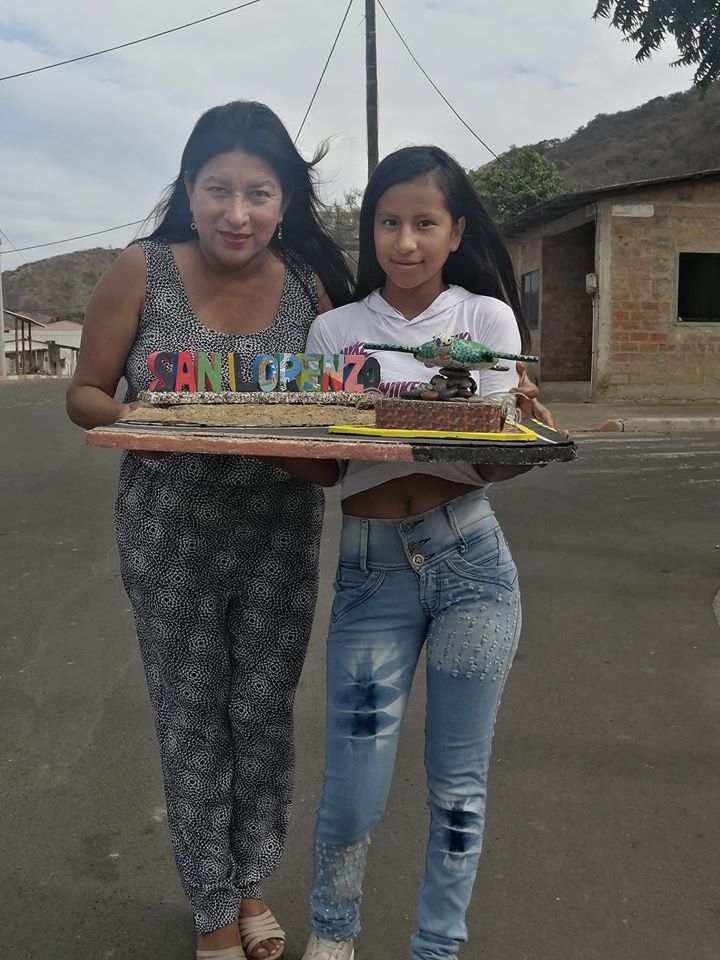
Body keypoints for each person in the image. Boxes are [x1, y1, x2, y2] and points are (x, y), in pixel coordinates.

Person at [66, 100, 355, 960]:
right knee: (192, 722)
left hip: (278, 537)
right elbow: (84, 393)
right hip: (170, 540)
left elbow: (337, 414)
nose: (238, 212)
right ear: (189, 189)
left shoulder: (309, 288)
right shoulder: (142, 270)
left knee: (263, 718)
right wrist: (140, 419)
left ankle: (251, 880)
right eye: (219, 189)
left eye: (259, 193)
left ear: (285, 200)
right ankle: (212, 911)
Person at [272, 145, 539, 960]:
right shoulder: (335, 331)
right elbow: (328, 470)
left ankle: (437, 948)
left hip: (472, 567)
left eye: (425, 222)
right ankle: (333, 935)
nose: (406, 241)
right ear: (371, 231)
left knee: (458, 788)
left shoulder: (484, 321)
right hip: (370, 571)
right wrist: (273, 431)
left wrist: (522, 436)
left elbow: (489, 463)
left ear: (456, 231)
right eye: (388, 222)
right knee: (353, 790)